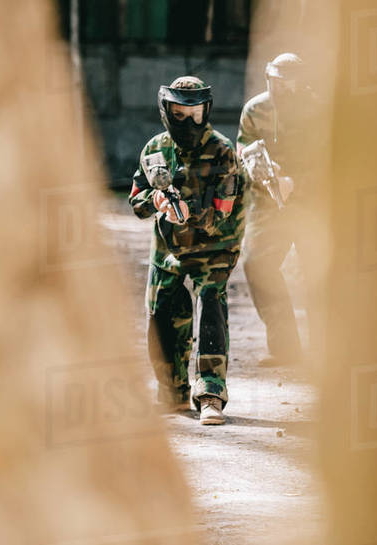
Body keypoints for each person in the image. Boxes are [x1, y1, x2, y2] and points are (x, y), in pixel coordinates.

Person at [129, 76, 245, 425]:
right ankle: (173, 392)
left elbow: (222, 213)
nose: (190, 122)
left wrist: (186, 210)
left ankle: (210, 395)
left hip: (215, 247)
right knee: (162, 314)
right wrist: (157, 201)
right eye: (181, 113)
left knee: (211, 308)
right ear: (168, 111)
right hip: (167, 249)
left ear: (206, 111)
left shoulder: (222, 151)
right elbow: (136, 200)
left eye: (196, 114)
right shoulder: (154, 151)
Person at [236, 53, 308, 367]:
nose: (278, 86)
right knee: (257, 264)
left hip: (312, 205)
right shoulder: (256, 109)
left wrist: (295, 182)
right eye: (274, 79)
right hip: (267, 203)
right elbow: (243, 147)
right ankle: (285, 347)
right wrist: (255, 166)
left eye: (285, 81)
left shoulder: (319, 110)